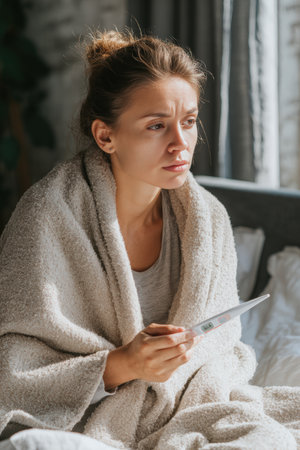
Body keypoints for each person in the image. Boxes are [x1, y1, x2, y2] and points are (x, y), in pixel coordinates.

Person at [0, 28, 299, 450]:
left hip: (188, 405)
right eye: (157, 125)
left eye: (189, 121)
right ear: (106, 136)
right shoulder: (49, 216)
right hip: (78, 415)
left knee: (273, 440)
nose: (181, 143)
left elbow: (217, 355)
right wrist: (122, 365)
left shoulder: (207, 219)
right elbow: (12, 366)